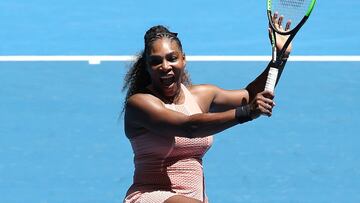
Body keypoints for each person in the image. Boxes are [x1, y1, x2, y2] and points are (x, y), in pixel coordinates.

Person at [122, 14, 292, 203]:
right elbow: (189, 127)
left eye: (172, 58)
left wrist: (281, 56)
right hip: (151, 196)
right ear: (147, 66)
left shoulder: (201, 96)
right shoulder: (140, 104)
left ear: (183, 59)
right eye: (156, 61)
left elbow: (249, 95)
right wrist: (246, 112)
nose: (165, 67)